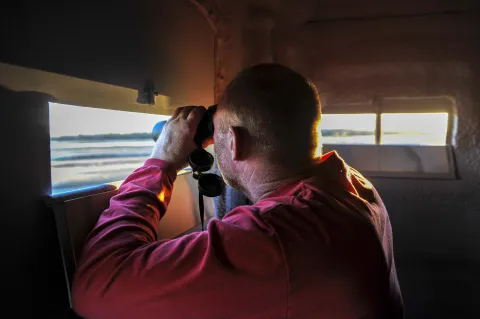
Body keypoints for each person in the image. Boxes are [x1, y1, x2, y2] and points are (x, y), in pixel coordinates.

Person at [72, 64, 404, 319]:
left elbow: (96, 288)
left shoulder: (277, 237)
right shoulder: (351, 185)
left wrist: (161, 162)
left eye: (217, 135)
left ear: (233, 142)